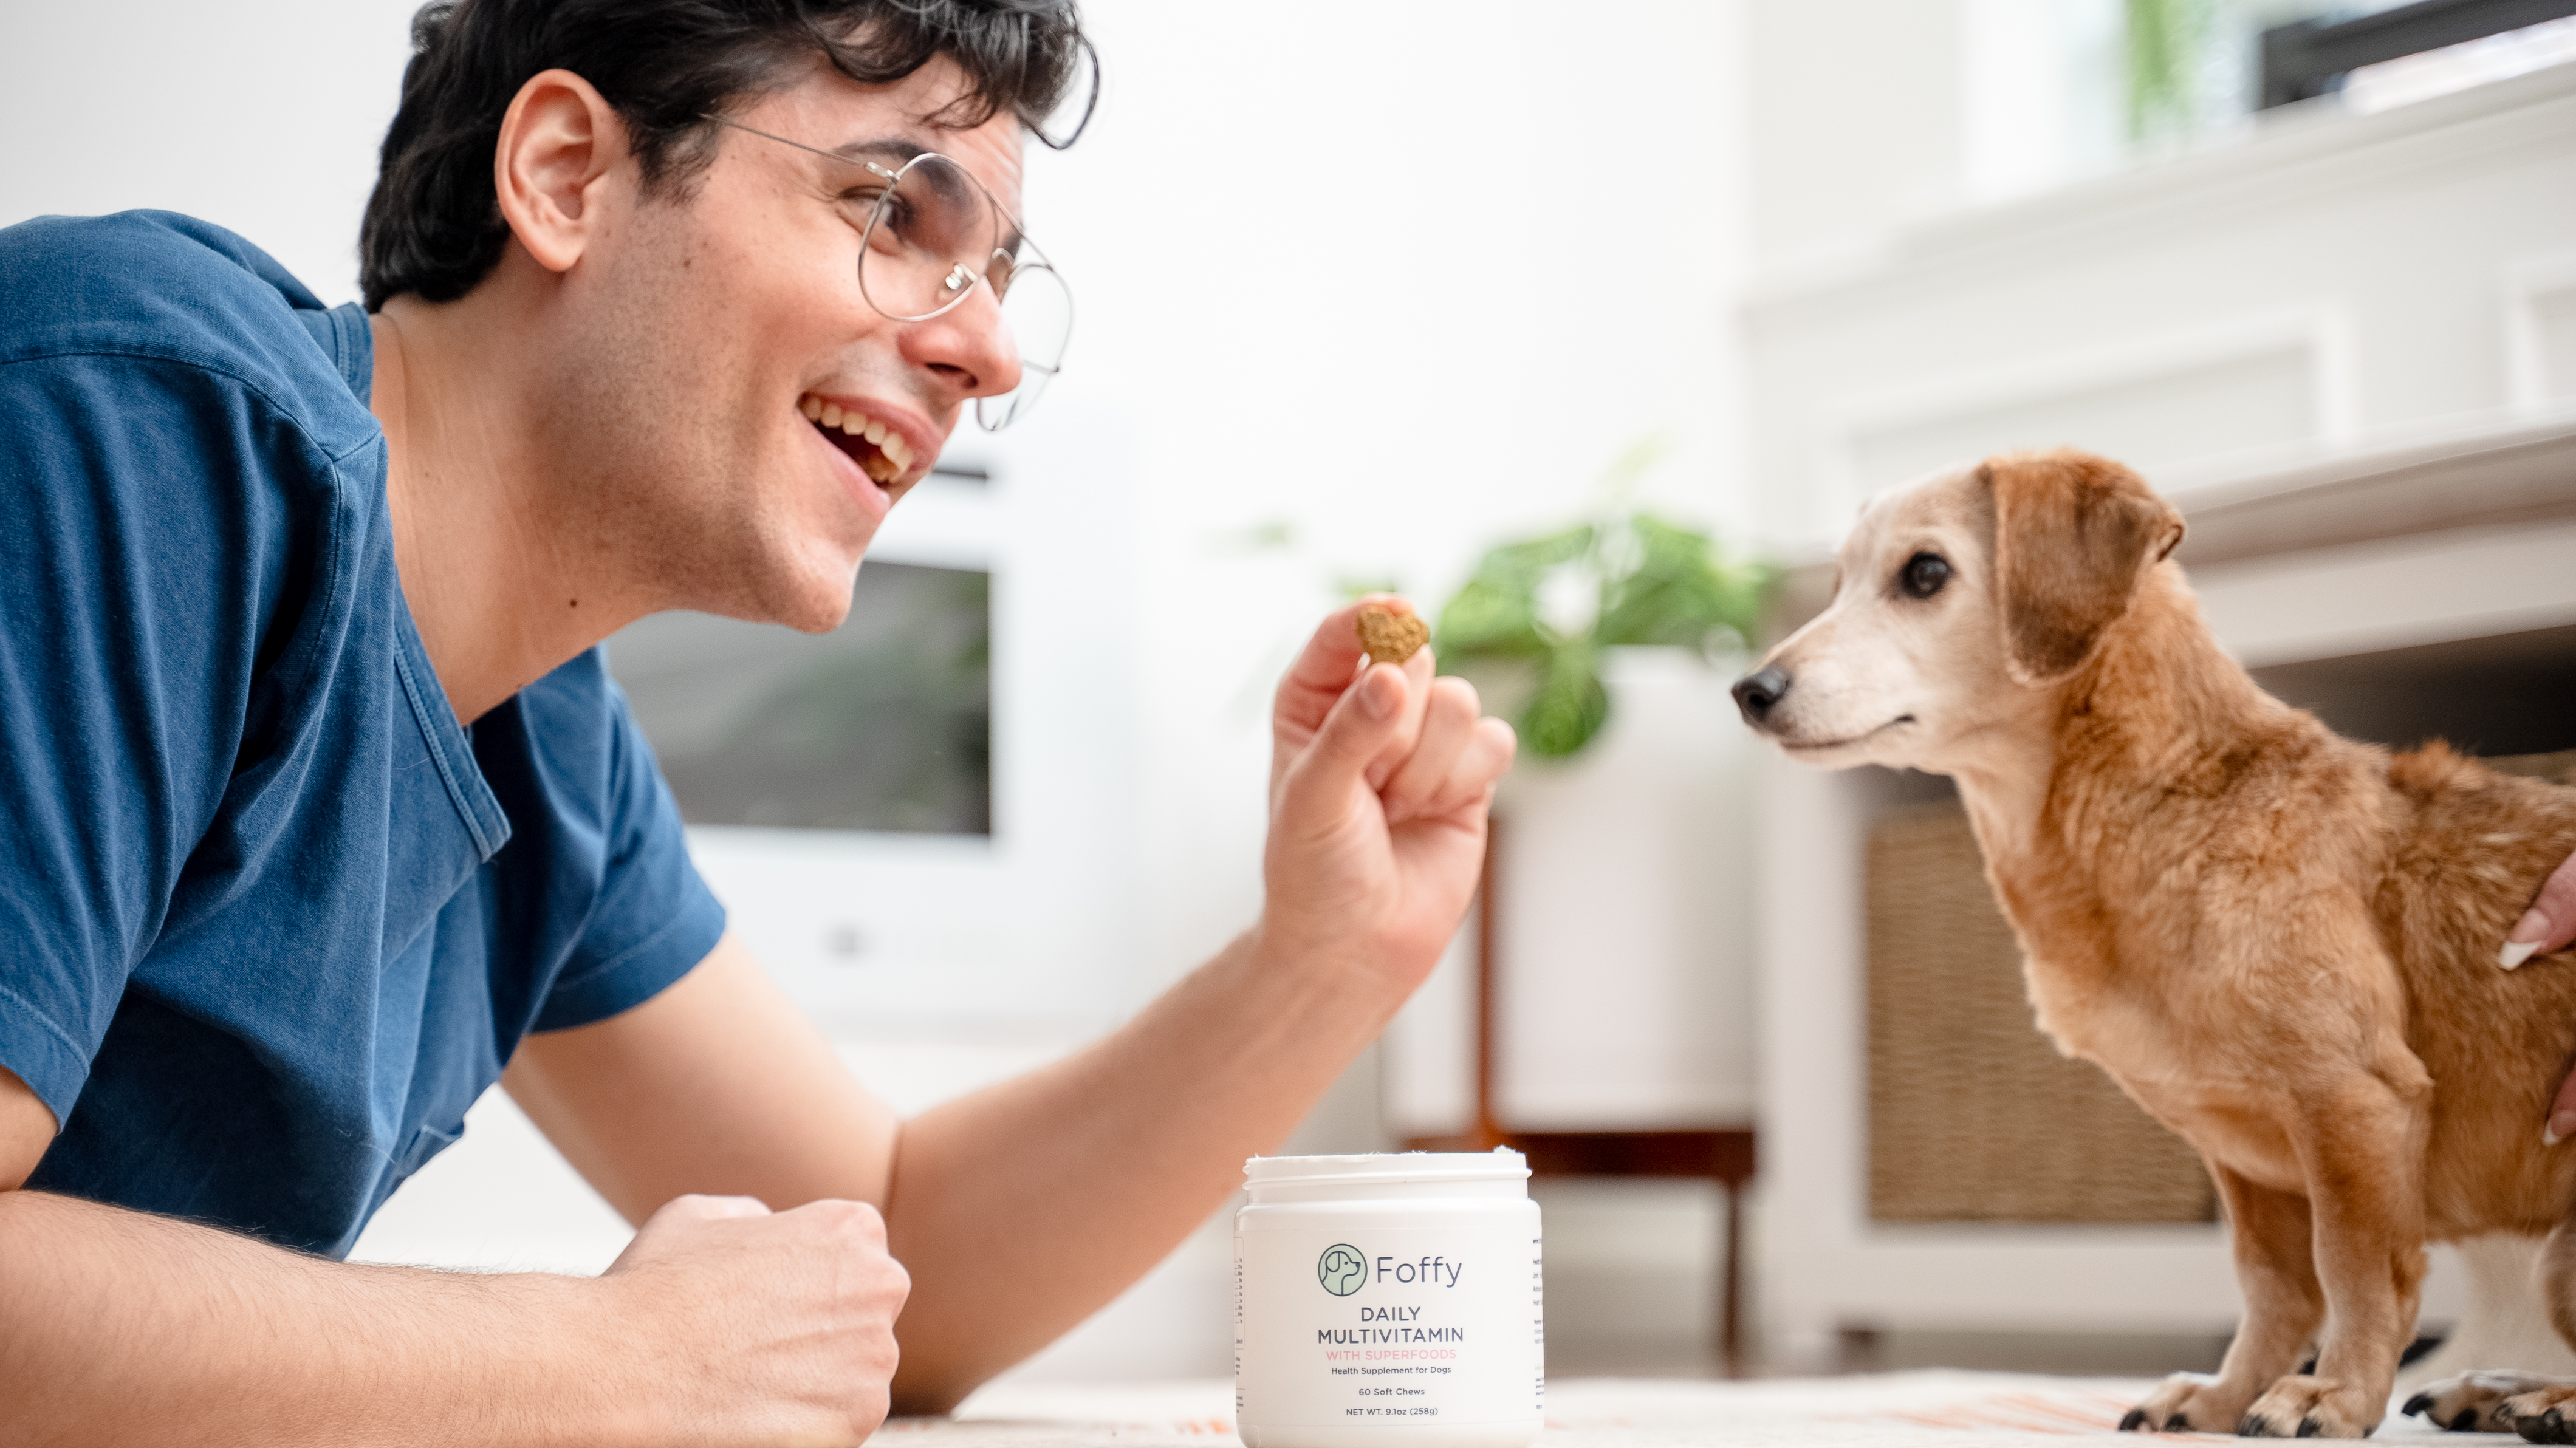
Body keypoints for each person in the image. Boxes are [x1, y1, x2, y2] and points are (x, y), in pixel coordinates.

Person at [0, 1, 1516, 1441]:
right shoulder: (135, 410)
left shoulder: (552, 749)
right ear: (566, 175)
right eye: (888, 211)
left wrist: (1321, 961)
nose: (983, 351)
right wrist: (610, 1363)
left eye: (992, 276)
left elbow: (893, 1259)